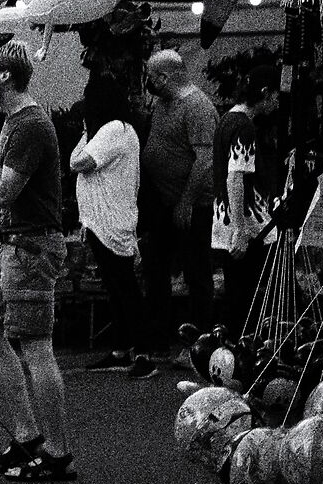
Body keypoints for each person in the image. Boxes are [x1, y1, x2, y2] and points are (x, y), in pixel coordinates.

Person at [0, 43, 76, 482]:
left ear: (6, 76)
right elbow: (10, 192)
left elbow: (6, 189)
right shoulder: (14, 122)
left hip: (31, 248)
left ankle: (58, 453)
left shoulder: (27, 126)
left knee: (36, 346)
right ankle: (28, 435)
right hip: (10, 245)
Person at [68, 71, 149, 377]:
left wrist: (86, 132)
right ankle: (123, 347)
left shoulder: (114, 130)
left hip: (111, 223)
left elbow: (78, 162)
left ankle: (142, 352)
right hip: (103, 221)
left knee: (125, 288)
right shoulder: (112, 130)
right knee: (116, 288)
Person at [138, 49, 218, 353]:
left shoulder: (197, 107)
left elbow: (205, 159)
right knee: (155, 268)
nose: (147, 81)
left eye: (150, 76)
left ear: (164, 77)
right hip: (163, 203)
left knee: (196, 272)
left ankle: (202, 342)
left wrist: (186, 201)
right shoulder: (163, 102)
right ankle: (160, 337)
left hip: (192, 206)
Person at [214, 79, 279, 336]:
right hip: (245, 220)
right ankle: (242, 349)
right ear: (265, 92)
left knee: (236, 292)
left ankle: (233, 345)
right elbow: (236, 175)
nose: (277, 103)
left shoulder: (226, 121)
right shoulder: (244, 128)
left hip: (225, 216)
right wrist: (240, 229)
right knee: (246, 295)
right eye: (275, 96)